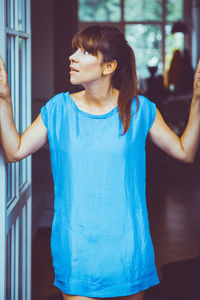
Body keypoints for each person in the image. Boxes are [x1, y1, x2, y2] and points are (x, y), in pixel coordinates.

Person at [0, 25, 200, 300]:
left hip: (128, 248)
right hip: (76, 249)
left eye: (84, 52)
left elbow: (185, 152)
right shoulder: (58, 109)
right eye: (74, 50)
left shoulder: (140, 109)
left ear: (109, 67)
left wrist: (198, 100)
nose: (72, 57)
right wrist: (4, 100)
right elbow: (15, 150)